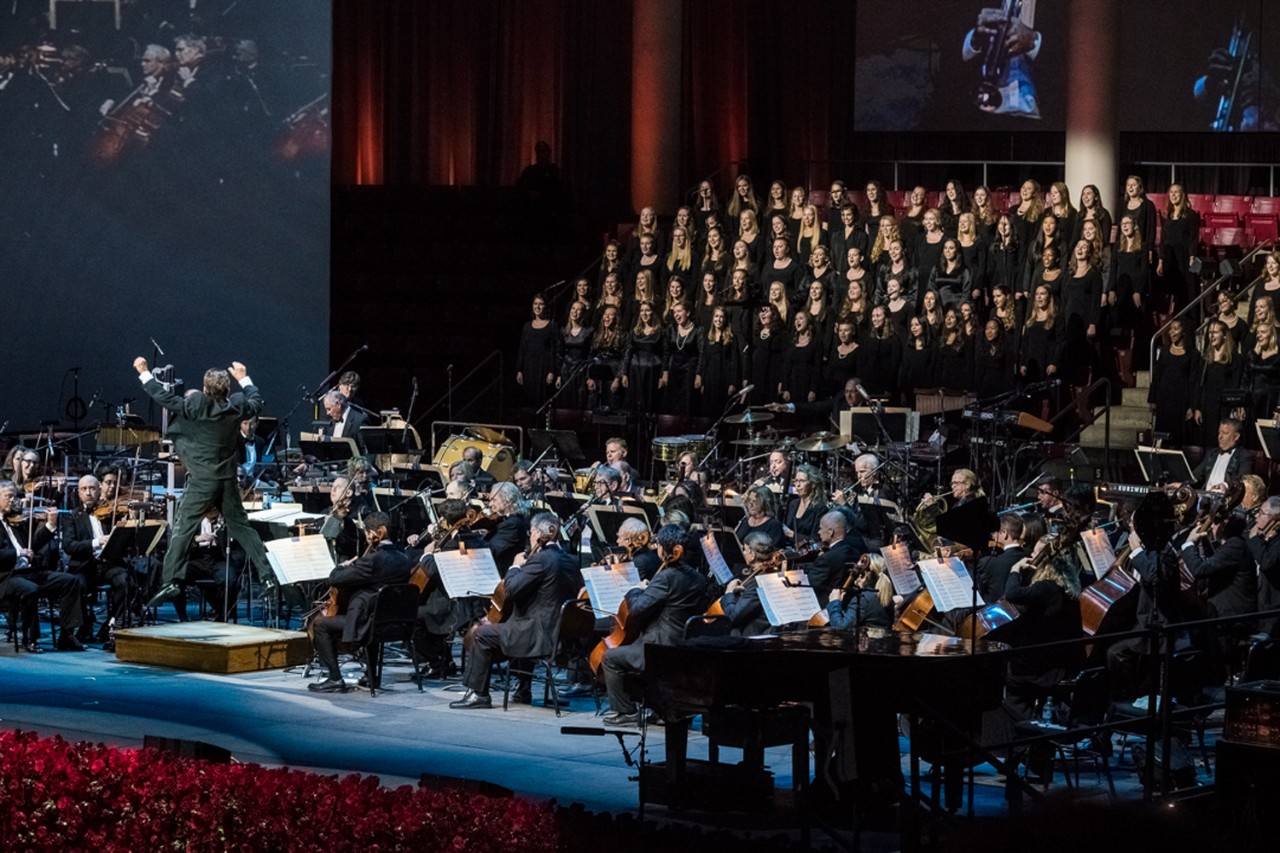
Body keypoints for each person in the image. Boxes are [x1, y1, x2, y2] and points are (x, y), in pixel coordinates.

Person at [137, 357, 272, 609]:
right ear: (227, 390)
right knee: (242, 527)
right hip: (228, 481)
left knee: (183, 528)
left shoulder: (197, 404)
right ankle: (267, 576)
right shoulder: (235, 408)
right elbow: (256, 401)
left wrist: (144, 373)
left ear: (205, 388)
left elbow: (165, 399)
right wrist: (244, 377)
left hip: (202, 481)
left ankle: (171, 580)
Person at [450, 512, 581, 709]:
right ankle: (522, 690)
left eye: (530, 532)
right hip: (560, 635)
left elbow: (510, 590)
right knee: (518, 622)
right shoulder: (570, 560)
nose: (530, 537)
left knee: (481, 634)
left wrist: (515, 567)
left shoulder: (541, 560)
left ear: (537, 533)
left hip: (538, 636)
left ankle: (479, 694)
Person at [600, 524, 708, 725]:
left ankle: (626, 712)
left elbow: (637, 609)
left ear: (665, 549)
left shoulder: (666, 577)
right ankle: (660, 710)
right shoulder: (698, 578)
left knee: (610, 658)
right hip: (684, 646)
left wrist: (637, 589)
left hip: (658, 647)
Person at [307, 512, 412, 693]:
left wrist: (343, 565)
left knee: (319, 624)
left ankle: (334, 678)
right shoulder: (404, 559)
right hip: (393, 622)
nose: (366, 536)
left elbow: (336, 579)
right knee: (373, 611)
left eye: (367, 532)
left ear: (375, 533)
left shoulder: (372, 560)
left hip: (368, 622)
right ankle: (372, 676)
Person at [1, 481, 86, 652]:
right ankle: (30, 638)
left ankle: (67, 635)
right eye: (8, 496)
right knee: (30, 589)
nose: (14, 501)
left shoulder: (16, 520)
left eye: (15, 497)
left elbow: (33, 546)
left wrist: (50, 525)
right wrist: (18, 554)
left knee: (70, 581)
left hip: (28, 572)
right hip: (6, 577)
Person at [61, 475, 133, 646]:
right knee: (76, 585)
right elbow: (69, 546)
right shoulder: (72, 516)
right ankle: (80, 629)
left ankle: (111, 626)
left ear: (99, 490)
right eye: (84, 489)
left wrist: (125, 526)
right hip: (84, 566)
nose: (88, 493)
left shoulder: (111, 513)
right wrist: (96, 542)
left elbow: (124, 543)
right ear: (78, 493)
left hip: (108, 564)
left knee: (127, 581)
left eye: (92, 488)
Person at [715, 530, 778, 636]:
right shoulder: (774, 575)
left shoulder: (758, 583)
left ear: (752, 555)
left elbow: (732, 617)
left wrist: (729, 594)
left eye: (744, 549)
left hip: (752, 637)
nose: (742, 552)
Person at [806, 510, 867, 601]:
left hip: (827, 606)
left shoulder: (826, 558)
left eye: (821, 528)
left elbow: (809, 585)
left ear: (831, 532)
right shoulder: (856, 552)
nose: (819, 532)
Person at [825, 554, 892, 630]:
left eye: (857, 570)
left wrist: (834, 603)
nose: (854, 573)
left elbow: (841, 628)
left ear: (864, 575)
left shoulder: (862, 598)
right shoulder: (885, 595)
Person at [977, 514, 1027, 604]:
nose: (993, 536)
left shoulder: (988, 562)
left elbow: (978, 593)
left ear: (1004, 533)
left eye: (995, 532)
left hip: (992, 613)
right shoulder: (1028, 557)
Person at [1249, 497, 1280, 636]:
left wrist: (1255, 538)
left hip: (1273, 616)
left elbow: (1267, 562)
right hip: (1256, 612)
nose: (1256, 516)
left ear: (1275, 518)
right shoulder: (1262, 538)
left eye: (1261, 513)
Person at [1191, 419, 1248, 492]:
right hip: (1207, 494)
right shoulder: (1212, 453)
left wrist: (1226, 485)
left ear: (1236, 436)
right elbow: (1196, 475)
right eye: (1219, 433)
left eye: (1225, 433)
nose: (1220, 436)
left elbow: (1243, 479)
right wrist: (1183, 483)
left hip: (1226, 497)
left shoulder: (1243, 455)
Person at [320, 388, 368, 455]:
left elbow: (366, 451)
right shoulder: (331, 421)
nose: (327, 413)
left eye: (329, 409)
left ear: (338, 404)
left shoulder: (360, 420)